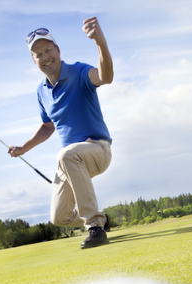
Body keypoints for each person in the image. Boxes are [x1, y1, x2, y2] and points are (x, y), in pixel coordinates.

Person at [9, 18, 114, 249]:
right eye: (39, 54)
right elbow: (47, 126)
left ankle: (95, 227)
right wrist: (23, 148)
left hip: (97, 149)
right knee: (59, 217)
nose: (45, 57)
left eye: (48, 50)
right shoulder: (41, 91)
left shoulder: (78, 71)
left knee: (66, 154)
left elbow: (105, 77)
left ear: (57, 50)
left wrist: (100, 43)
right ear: (34, 60)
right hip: (70, 160)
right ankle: (101, 217)